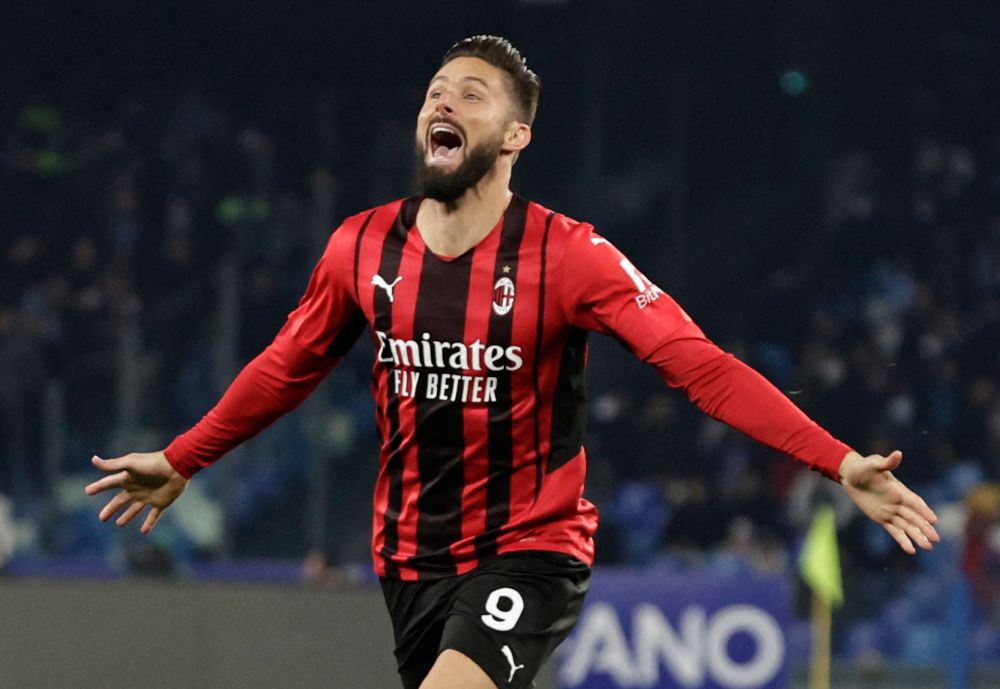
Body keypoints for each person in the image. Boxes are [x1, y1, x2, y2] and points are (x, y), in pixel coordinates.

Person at [85, 35, 940, 689]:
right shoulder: (360, 245)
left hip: (532, 544)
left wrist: (837, 461)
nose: (442, 103)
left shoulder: (570, 256)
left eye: (472, 93)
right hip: (408, 557)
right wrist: (183, 456)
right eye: (434, 92)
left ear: (516, 134)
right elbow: (286, 366)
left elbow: (700, 366)